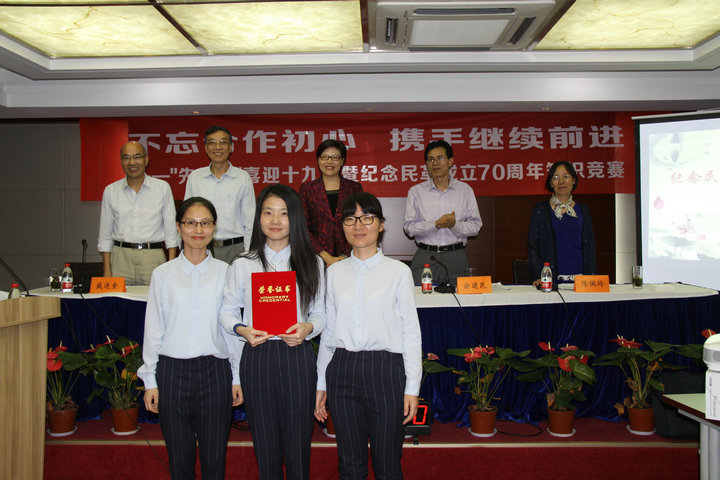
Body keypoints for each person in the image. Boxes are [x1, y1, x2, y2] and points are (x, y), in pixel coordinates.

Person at [219, 184, 325, 480]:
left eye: (283, 213)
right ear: (259, 218)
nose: (275, 220)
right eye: (268, 213)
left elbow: (321, 314)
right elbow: (226, 312)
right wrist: (242, 329)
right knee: (265, 447)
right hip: (258, 356)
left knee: (298, 447)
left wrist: (308, 328)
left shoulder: (312, 262)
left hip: (296, 356)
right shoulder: (243, 264)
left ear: (295, 218)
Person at [315, 192, 422, 480]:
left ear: (381, 225)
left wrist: (412, 387)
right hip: (343, 369)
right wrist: (321, 382)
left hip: (384, 370)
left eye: (367, 218)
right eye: (350, 219)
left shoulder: (398, 272)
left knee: (387, 462)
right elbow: (329, 332)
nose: (358, 226)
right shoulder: (334, 273)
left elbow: (411, 331)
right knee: (350, 463)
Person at [138, 196, 243, 480]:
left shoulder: (227, 273)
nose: (198, 230)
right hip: (173, 372)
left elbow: (232, 329)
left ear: (214, 227)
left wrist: (236, 376)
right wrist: (150, 380)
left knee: (214, 459)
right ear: (178, 226)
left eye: (205, 223)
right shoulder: (163, 274)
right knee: (179, 459)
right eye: (191, 223)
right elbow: (154, 329)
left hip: (215, 372)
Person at [98, 141, 178, 286]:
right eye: (126, 158)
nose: (132, 162)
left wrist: (172, 267)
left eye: (137, 157)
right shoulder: (111, 191)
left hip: (152, 257)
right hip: (120, 258)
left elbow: (171, 232)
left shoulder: (162, 188)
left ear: (146, 159)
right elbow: (105, 234)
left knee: (153, 299)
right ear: (121, 161)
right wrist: (107, 269)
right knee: (118, 300)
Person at [403, 140, 482, 286]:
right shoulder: (416, 192)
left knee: (460, 300)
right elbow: (409, 228)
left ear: (450, 161)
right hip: (426, 256)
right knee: (421, 299)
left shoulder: (465, 190)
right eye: (431, 159)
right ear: (426, 164)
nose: (435, 163)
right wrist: (435, 224)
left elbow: (476, 226)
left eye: (440, 158)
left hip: (456, 257)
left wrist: (454, 225)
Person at [184, 126, 256, 264]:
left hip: (235, 248)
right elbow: (187, 218)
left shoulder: (242, 178)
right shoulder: (195, 177)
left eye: (223, 142)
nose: (217, 147)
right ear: (206, 148)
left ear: (231, 147)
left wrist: (248, 254)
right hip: (203, 247)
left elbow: (250, 221)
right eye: (212, 142)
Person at [527, 160, 597, 284]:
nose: (561, 182)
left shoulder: (582, 209)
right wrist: (539, 275)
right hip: (551, 279)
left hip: (581, 280)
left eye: (565, 176)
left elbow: (590, 246)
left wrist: (591, 276)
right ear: (551, 183)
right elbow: (532, 245)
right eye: (556, 178)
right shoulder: (541, 210)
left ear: (573, 180)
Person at [299, 139, 363, 266]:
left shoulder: (354, 188)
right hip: (316, 258)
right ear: (318, 160)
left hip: (349, 258)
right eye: (324, 157)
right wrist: (326, 257)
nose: (329, 161)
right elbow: (303, 227)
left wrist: (344, 256)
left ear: (342, 161)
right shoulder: (308, 189)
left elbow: (358, 223)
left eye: (335, 157)